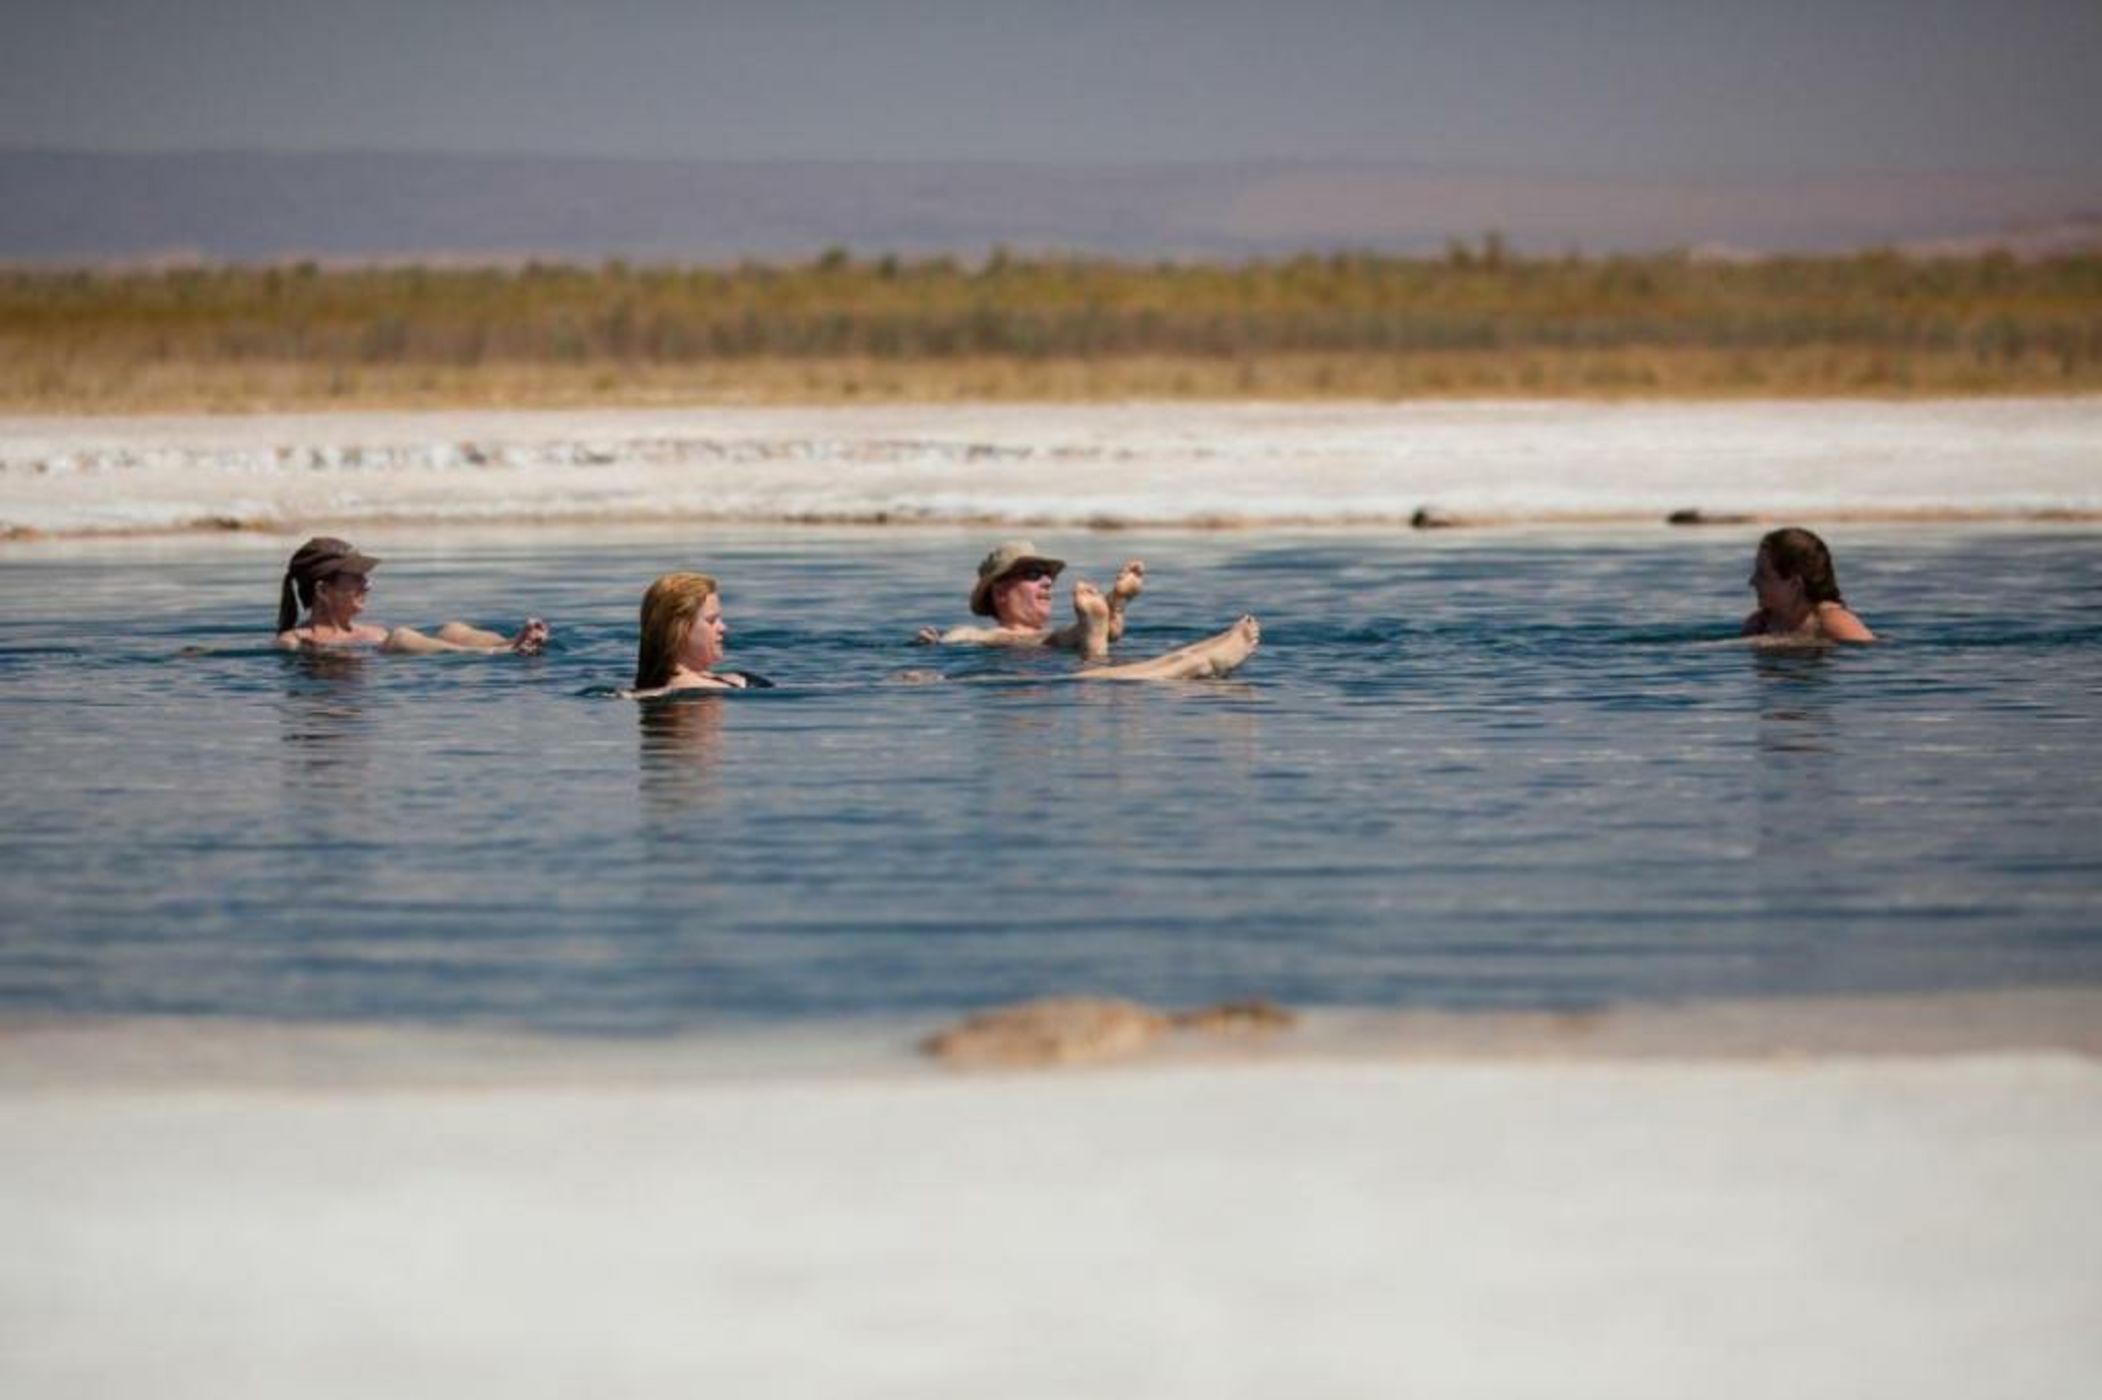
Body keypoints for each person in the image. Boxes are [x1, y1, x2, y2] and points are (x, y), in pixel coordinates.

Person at [274, 537, 548, 654]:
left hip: (390, 649)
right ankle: (500, 652)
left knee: (452, 628)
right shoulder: (295, 641)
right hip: (391, 649)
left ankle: (514, 642)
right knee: (401, 637)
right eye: (356, 578)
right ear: (323, 591)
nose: (368, 585)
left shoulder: (373, 632)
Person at [915, 540, 1147, 661]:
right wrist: (933, 647)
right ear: (1000, 592)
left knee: (1085, 634)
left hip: (1050, 654)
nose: (1047, 582)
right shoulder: (977, 635)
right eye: (1034, 575)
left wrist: (1116, 600)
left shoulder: (1053, 636)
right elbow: (953, 644)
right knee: (1090, 645)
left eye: (1049, 576)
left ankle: (1111, 611)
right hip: (1011, 663)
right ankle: (1099, 633)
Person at [626, 571, 772, 697]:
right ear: (679, 630)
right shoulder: (697, 693)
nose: (723, 628)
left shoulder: (643, 691)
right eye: (711, 620)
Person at [1741, 527, 1875, 644]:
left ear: (1795, 583)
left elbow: (1868, 660)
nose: (1752, 582)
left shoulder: (1833, 622)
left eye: (1762, 575)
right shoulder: (1759, 625)